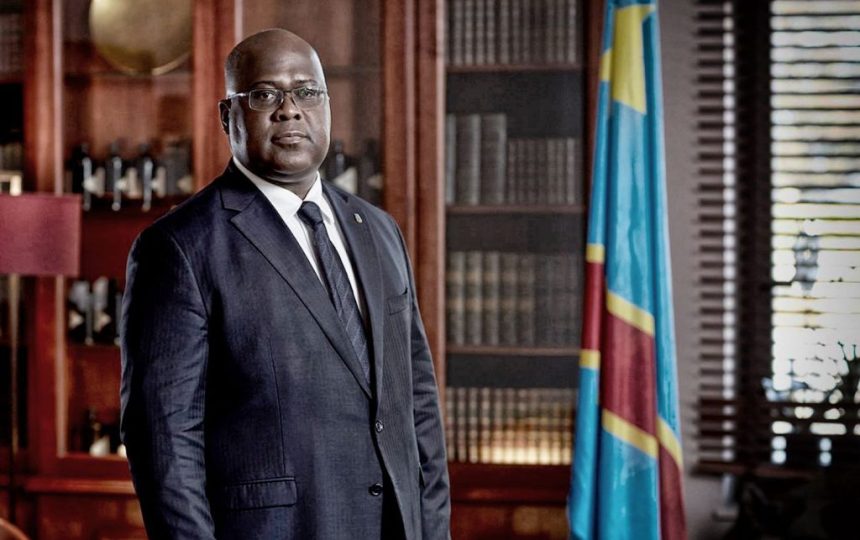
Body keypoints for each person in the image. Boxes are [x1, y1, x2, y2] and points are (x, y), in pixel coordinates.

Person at [120, 29, 450, 540]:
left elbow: (418, 404)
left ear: (327, 106)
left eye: (306, 91)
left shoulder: (378, 229)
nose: (289, 110)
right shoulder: (180, 247)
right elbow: (163, 438)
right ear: (228, 116)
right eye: (264, 94)